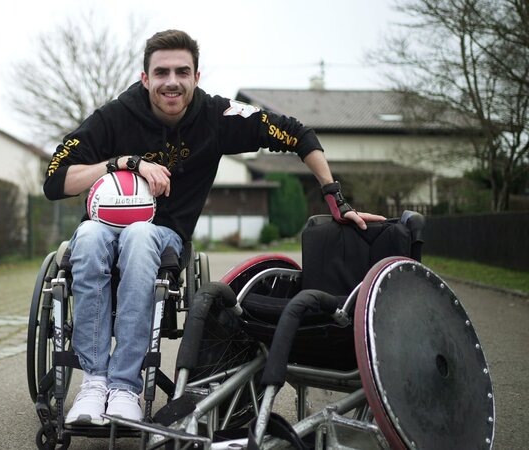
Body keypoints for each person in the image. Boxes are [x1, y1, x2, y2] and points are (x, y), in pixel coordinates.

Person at [43, 29, 384, 425]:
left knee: (139, 236)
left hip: (160, 234)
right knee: (86, 235)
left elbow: (298, 133)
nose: (172, 81)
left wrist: (335, 199)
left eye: (182, 72)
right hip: (101, 228)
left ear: (196, 77)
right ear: (145, 78)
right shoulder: (115, 115)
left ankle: (124, 386)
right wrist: (123, 163)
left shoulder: (217, 116)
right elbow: (55, 180)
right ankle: (94, 384)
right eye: (162, 72)